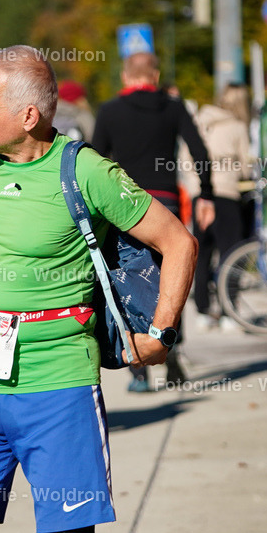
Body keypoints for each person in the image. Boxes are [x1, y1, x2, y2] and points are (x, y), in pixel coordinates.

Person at [0, 46, 198, 533]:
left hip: (59, 390)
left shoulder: (83, 170)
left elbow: (177, 241)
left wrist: (160, 333)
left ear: (28, 116)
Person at [92, 52, 215, 389]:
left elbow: (94, 160)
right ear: (156, 76)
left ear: (125, 77)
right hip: (166, 204)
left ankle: (138, 369)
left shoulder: (109, 111)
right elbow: (199, 151)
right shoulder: (174, 108)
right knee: (173, 279)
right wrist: (206, 193)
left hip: (124, 207)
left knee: (128, 281)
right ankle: (171, 351)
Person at [181, 83, 255, 328]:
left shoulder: (199, 120)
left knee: (202, 253)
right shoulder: (237, 126)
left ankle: (202, 309)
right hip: (227, 194)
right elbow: (246, 165)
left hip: (200, 195)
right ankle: (227, 309)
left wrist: (195, 189)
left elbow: (185, 158)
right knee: (230, 253)